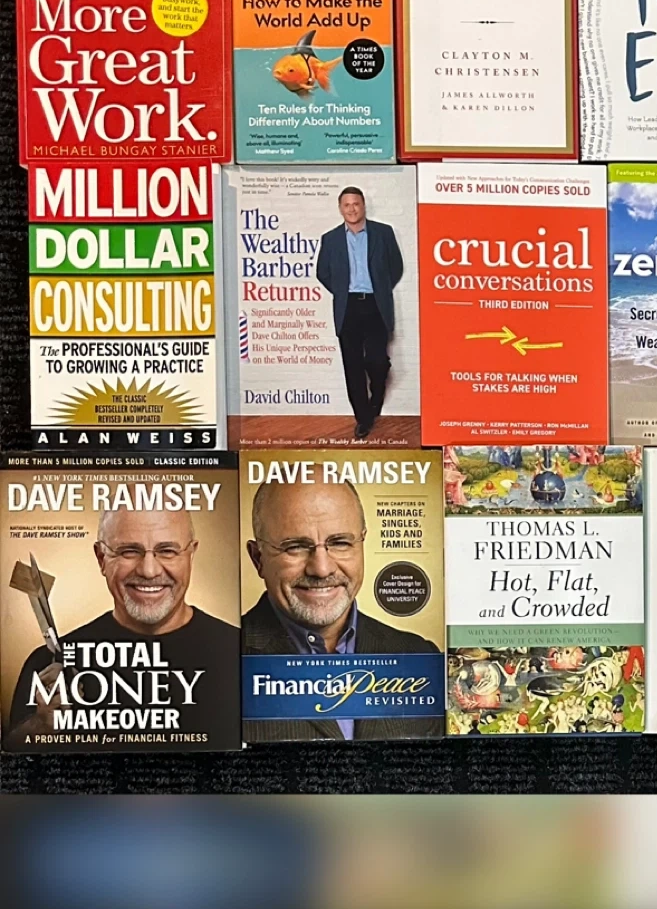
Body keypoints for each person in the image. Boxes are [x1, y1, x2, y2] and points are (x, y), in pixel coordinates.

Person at [6, 509, 239, 741]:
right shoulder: (46, 667)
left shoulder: (240, 653)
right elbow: (14, 755)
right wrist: (42, 726)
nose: (149, 571)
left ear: (191, 554)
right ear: (101, 558)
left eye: (167, 551)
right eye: (129, 551)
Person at [242, 478, 440, 742]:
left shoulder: (419, 657)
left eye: (340, 543)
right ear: (258, 558)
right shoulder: (220, 662)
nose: (321, 569)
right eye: (295, 547)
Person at [315, 186, 405, 439]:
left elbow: (395, 267)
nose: (352, 209)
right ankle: (363, 418)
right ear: (340, 208)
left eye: (356, 204)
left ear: (363, 205)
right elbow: (323, 273)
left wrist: (380, 289)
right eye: (347, 205)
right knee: (352, 365)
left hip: (376, 304)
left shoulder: (383, 233)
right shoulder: (330, 239)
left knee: (377, 361)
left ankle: (377, 395)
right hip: (348, 307)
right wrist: (343, 291)